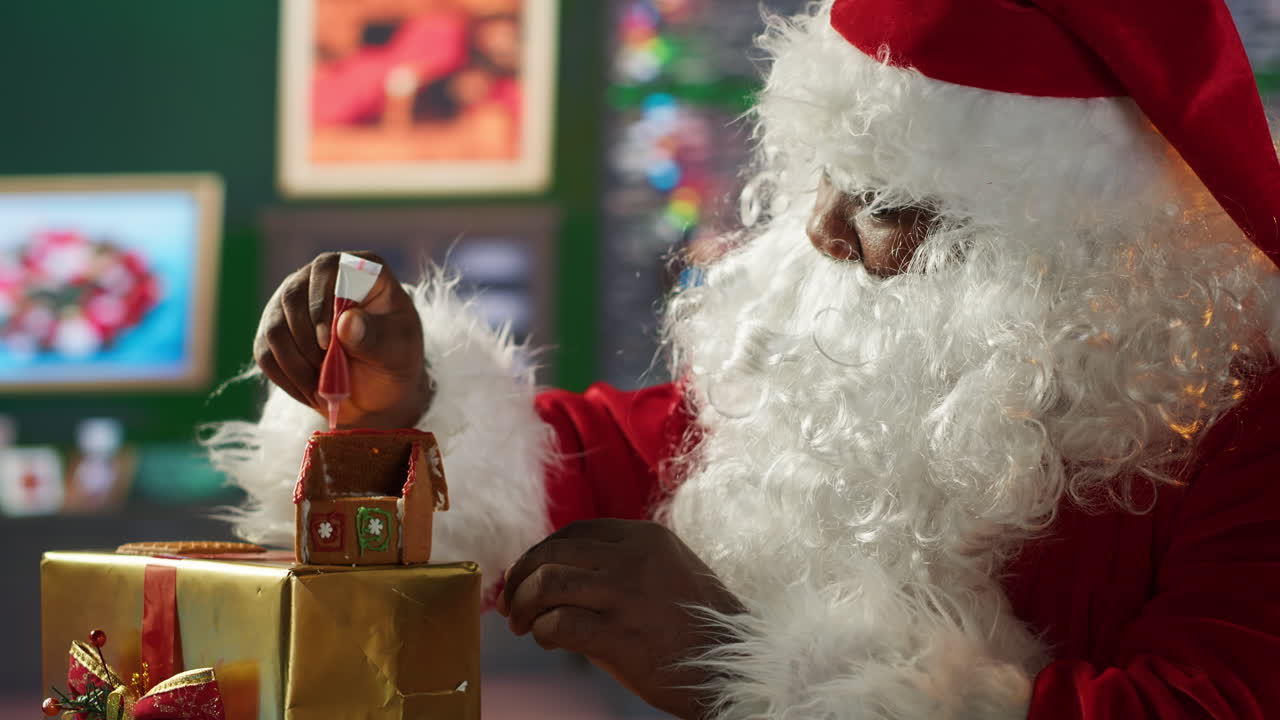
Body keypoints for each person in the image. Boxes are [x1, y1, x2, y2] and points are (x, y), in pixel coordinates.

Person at [208, 1, 1280, 717]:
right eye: (822, 176)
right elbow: (591, 465)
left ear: (1067, 246)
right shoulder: (861, 362)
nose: (820, 230)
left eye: (881, 202)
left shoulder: (1248, 431)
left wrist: (747, 663)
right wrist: (402, 399)